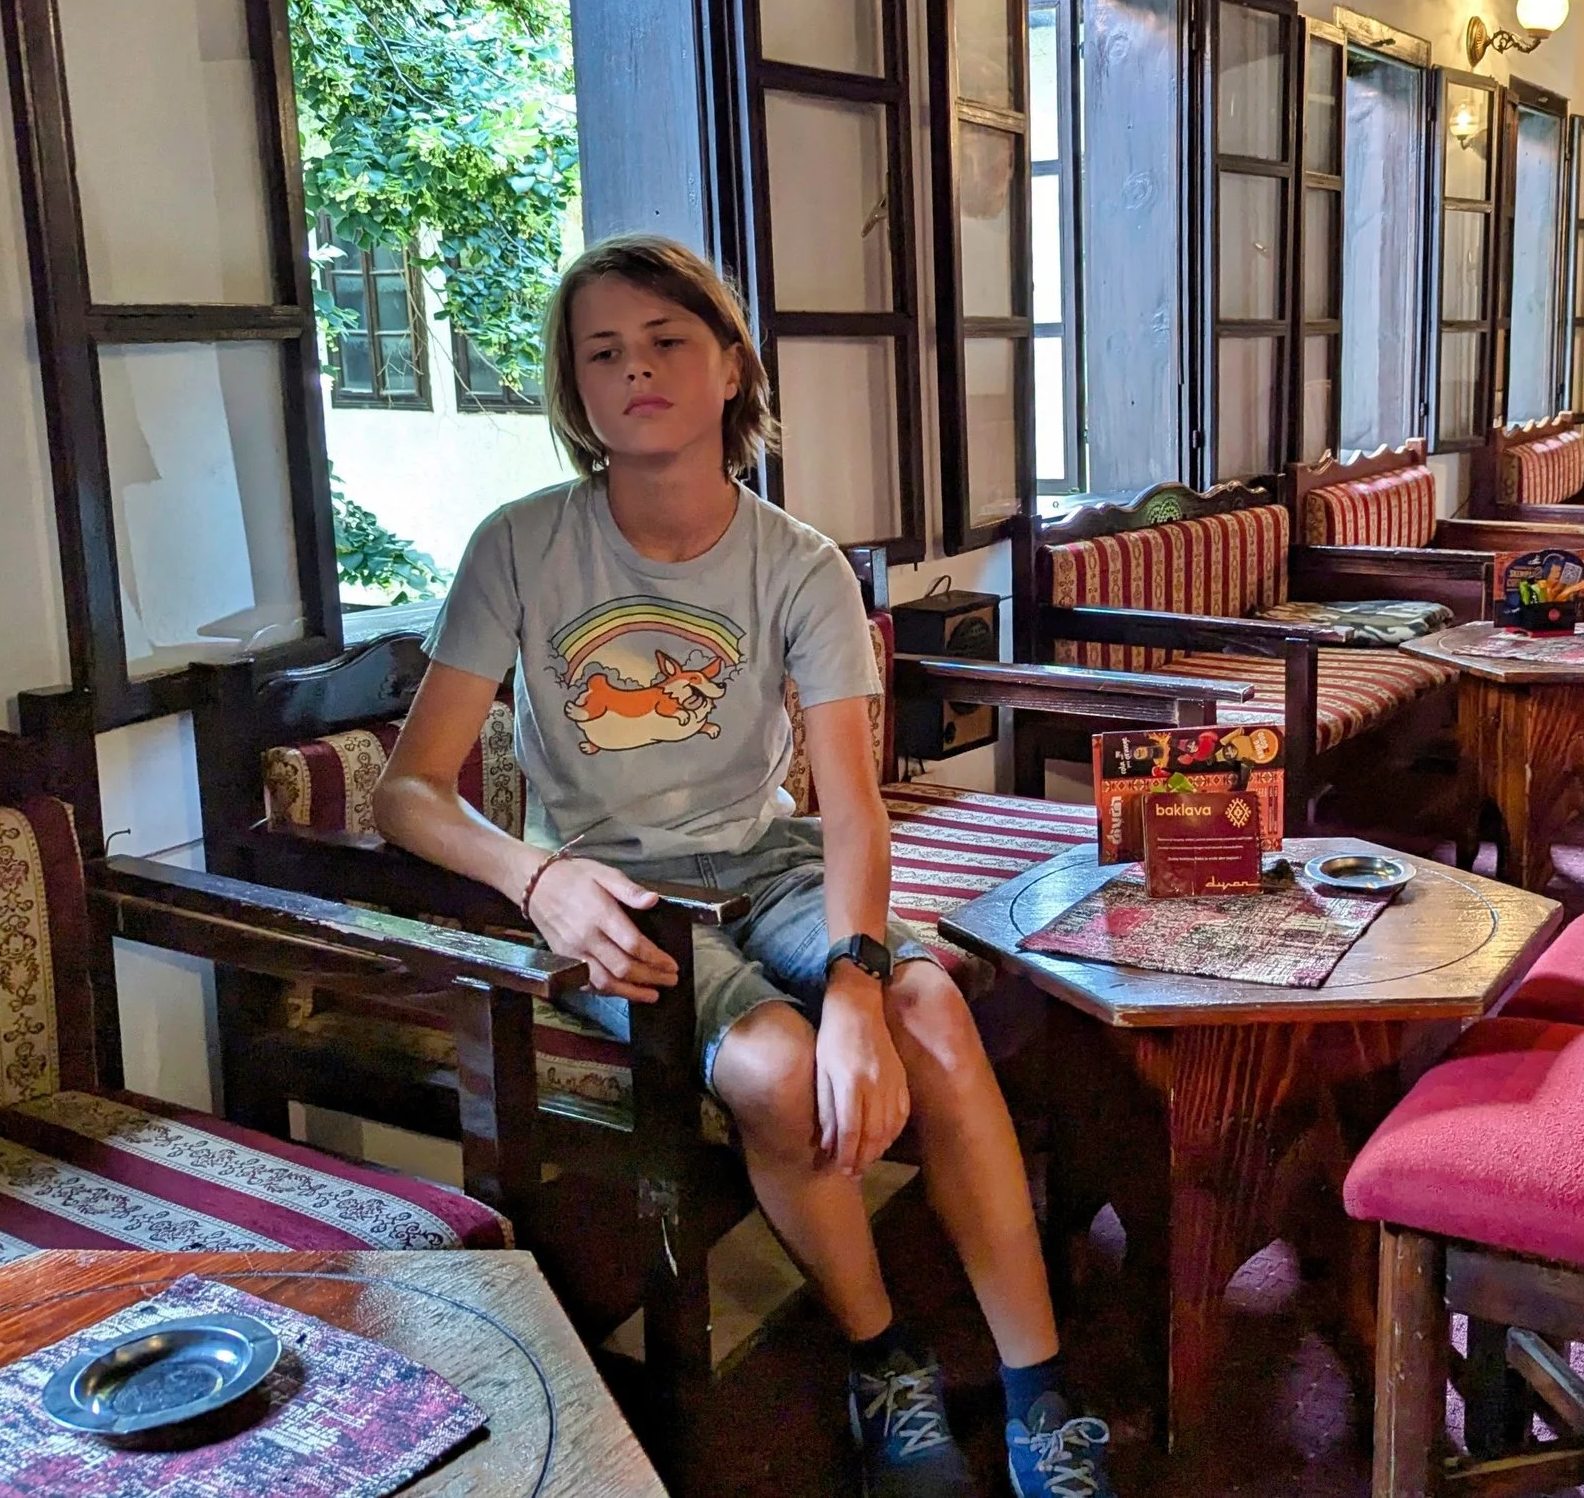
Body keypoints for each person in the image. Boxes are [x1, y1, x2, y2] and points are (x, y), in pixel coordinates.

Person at [373, 234, 1115, 1498]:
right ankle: (883, 1357)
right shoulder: (519, 546)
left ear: (730, 368)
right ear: (574, 389)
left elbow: (852, 805)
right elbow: (408, 789)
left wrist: (858, 988)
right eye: (602, 351)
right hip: (614, 891)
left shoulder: (800, 563)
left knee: (933, 1012)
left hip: (771, 859)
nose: (636, 368)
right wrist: (537, 878)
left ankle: (1038, 1388)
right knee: (773, 1073)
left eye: (667, 340)